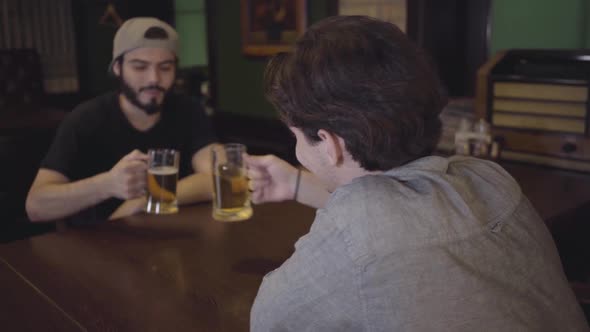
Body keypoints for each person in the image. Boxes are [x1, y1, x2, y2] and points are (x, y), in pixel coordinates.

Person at [246, 16, 589, 331]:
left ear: (329, 143)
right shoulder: (488, 177)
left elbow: (270, 321)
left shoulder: (356, 235)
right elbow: (405, 216)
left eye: (294, 137)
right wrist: (294, 183)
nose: (297, 151)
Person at [26, 17, 217, 225]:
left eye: (165, 67)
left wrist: (145, 200)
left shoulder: (188, 111)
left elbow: (216, 177)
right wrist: (107, 185)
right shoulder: (86, 119)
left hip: (172, 240)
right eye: (140, 67)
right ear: (118, 67)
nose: (154, 78)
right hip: (97, 247)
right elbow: (36, 207)